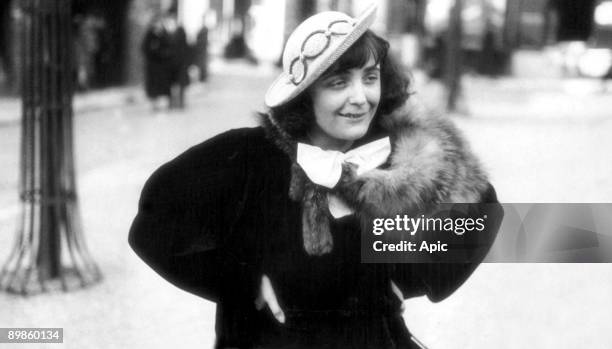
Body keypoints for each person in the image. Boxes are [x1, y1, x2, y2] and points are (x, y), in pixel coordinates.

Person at [129, 5, 502, 348]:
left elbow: (482, 214)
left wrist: (406, 280)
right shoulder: (248, 158)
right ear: (304, 95)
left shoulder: (392, 162)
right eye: (339, 83)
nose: (360, 97)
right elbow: (152, 228)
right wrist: (240, 280)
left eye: (369, 78)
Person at [142, 11, 190, 110]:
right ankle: (157, 104)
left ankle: (175, 103)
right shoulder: (151, 33)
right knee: (156, 87)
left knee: (174, 85)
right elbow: (146, 48)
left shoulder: (171, 32)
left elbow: (177, 47)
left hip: (168, 65)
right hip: (155, 66)